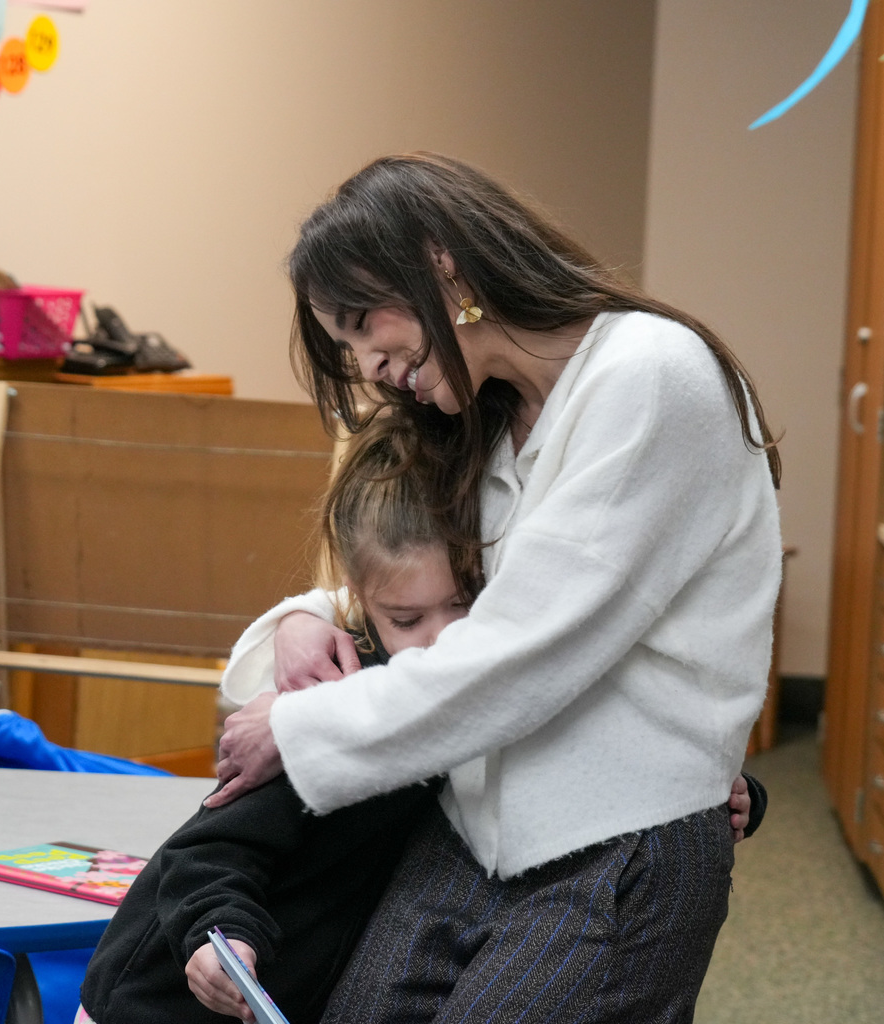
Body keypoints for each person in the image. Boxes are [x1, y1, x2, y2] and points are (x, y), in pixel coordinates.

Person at [210, 152, 782, 1023]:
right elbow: (426, 585)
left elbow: (524, 646)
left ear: (441, 262)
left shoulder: (651, 375)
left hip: (616, 841)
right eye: (348, 346)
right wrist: (306, 617)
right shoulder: (481, 413)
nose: (369, 363)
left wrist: (298, 727)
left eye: (364, 324)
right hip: (467, 826)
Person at [77, 419, 480, 1024]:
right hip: (158, 1003)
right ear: (359, 599)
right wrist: (221, 934)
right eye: (406, 619)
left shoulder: (465, 692)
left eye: (462, 604)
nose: (439, 639)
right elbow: (208, 849)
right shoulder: (334, 698)